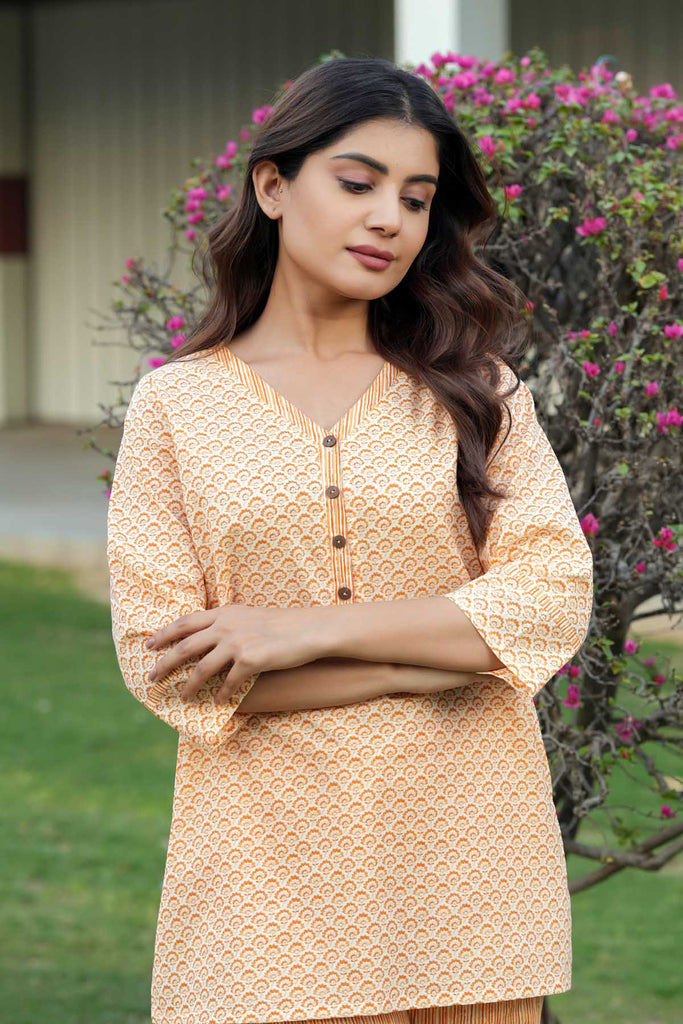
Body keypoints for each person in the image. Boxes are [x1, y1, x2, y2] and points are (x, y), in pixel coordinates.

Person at [107, 55, 593, 1024]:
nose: (388, 220)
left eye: (415, 199)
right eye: (357, 183)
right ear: (273, 185)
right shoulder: (176, 407)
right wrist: (443, 657)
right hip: (265, 884)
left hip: (472, 878)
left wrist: (300, 634)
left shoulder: (477, 391)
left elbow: (549, 598)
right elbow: (165, 665)